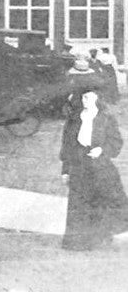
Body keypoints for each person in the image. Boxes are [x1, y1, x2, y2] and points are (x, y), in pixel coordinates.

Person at [60, 84, 128, 249]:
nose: (85, 101)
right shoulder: (75, 119)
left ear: (97, 98)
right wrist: (65, 171)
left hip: (100, 166)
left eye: (89, 97)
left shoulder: (105, 118)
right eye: (83, 97)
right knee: (79, 204)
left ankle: (102, 236)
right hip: (79, 165)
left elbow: (116, 141)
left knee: (102, 202)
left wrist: (102, 149)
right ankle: (78, 242)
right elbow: (67, 146)